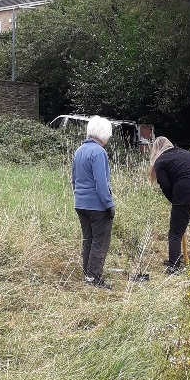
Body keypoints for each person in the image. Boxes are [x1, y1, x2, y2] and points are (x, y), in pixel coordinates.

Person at [149, 137, 190, 272]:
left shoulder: (160, 161)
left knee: (175, 232)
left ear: (155, 150)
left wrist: (175, 202)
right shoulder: (185, 153)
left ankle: (174, 265)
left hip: (185, 192)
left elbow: (165, 186)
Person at [72, 116, 115, 289]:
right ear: (104, 133)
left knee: (88, 239)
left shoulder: (79, 150)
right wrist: (109, 204)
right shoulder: (98, 152)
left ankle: (88, 275)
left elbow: (73, 179)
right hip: (97, 205)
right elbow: (101, 183)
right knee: (100, 241)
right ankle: (95, 278)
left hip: (80, 203)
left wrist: (78, 196)